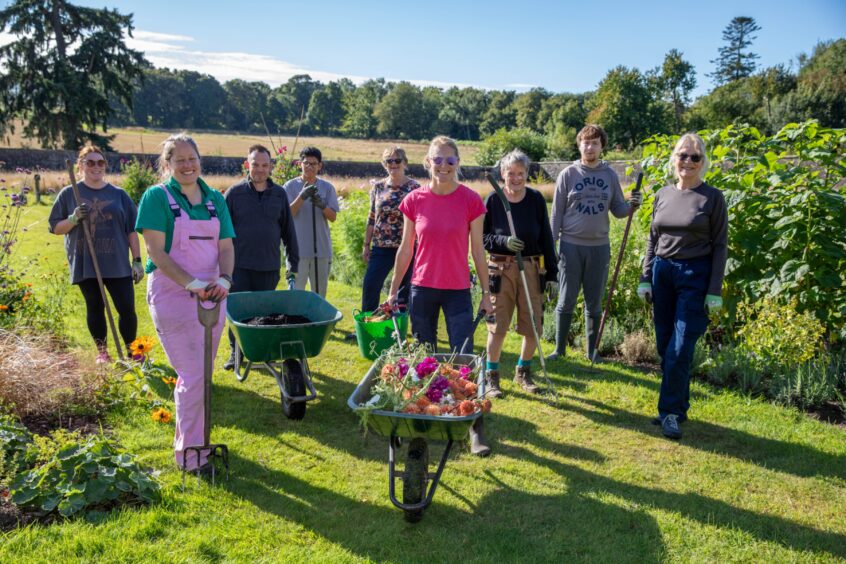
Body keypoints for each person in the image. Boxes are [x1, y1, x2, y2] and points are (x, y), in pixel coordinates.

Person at [385, 136, 493, 456]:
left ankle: (473, 427)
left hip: (458, 290)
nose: (443, 166)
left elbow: (477, 250)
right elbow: (406, 249)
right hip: (422, 289)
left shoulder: (471, 201)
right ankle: (424, 418)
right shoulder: (414, 200)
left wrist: (486, 294)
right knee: (424, 358)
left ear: (458, 163)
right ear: (427, 163)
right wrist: (393, 291)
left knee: (464, 359)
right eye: (437, 159)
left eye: (450, 160)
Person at [136, 133, 235, 473]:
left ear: (199, 160)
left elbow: (225, 247)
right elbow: (156, 253)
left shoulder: (213, 199)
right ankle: (191, 456)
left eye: (192, 158)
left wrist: (223, 279)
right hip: (173, 293)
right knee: (193, 374)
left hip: (212, 295)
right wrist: (191, 284)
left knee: (203, 375)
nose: (188, 165)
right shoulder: (157, 198)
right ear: (167, 165)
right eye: (179, 160)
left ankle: (196, 445)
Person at [638, 133, 728, 440]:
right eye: (683, 155)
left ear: (703, 163)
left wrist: (714, 289)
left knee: (680, 347)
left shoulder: (712, 198)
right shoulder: (663, 194)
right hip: (663, 273)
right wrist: (645, 276)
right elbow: (653, 238)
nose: (687, 162)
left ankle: (670, 413)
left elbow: (720, 246)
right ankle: (680, 404)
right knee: (666, 345)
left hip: (694, 275)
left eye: (695, 157)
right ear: (674, 159)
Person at [548, 124, 642, 362]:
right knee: (566, 298)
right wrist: (552, 244)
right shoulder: (568, 174)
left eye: (595, 143)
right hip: (571, 245)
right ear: (579, 145)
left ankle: (592, 352)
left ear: (602, 147)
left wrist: (632, 204)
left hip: (599, 247)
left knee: (594, 300)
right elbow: (556, 213)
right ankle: (559, 350)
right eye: (586, 142)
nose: (589, 147)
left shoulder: (609, 175)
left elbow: (618, 210)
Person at [48, 144, 142, 363]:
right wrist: (72, 220)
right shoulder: (69, 193)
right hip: (86, 262)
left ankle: (132, 351)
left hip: (117, 262)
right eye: (90, 162)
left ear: (105, 166)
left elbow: (131, 230)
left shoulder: (119, 195)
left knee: (127, 307)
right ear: (81, 166)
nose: (96, 167)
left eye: (100, 162)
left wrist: (137, 261)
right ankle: (103, 353)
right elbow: (54, 228)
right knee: (95, 307)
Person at [483, 150, 558, 397]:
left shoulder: (536, 199)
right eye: (510, 173)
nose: (515, 178)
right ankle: (492, 375)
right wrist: (504, 241)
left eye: (520, 173)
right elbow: (483, 238)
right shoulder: (493, 200)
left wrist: (552, 275)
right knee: (498, 325)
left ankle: (522, 371)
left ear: (527, 174)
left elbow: (546, 237)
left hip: (531, 268)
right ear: (502, 174)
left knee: (532, 324)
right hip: (501, 269)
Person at [222, 144, 299, 369]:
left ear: (270, 167)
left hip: (268, 266)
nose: (260, 169)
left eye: (265, 165)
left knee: (265, 313)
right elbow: (222, 233)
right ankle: (236, 354)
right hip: (239, 267)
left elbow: (288, 231)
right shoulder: (234, 194)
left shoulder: (279, 194)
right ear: (248, 164)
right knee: (238, 313)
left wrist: (292, 263)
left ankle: (265, 352)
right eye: (256, 164)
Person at [360, 146, 420, 312]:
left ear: (405, 163)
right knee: (371, 284)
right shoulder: (378, 187)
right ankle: (368, 324)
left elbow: (420, 220)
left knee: (403, 292)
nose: (393, 164)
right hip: (381, 246)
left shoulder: (415, 188)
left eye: (397, 160)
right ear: (384, 164)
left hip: (406, 246)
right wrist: (366, 245)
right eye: (389, 161)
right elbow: (372, 217)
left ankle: (399, 330)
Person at [282, 147, 339, 298]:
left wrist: (322, 205)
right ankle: (294, 322)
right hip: (296, 252)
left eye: (314, 164)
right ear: (299, 164)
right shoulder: (289, 186)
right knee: (294, 295)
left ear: (320, 166)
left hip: (321, 251)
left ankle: (318, 322)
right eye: (306, 163)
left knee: (319, 296)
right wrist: (302, 196)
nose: (309, 167)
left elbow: (333, 217)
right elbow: (287, 214)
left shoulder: (327, 188)